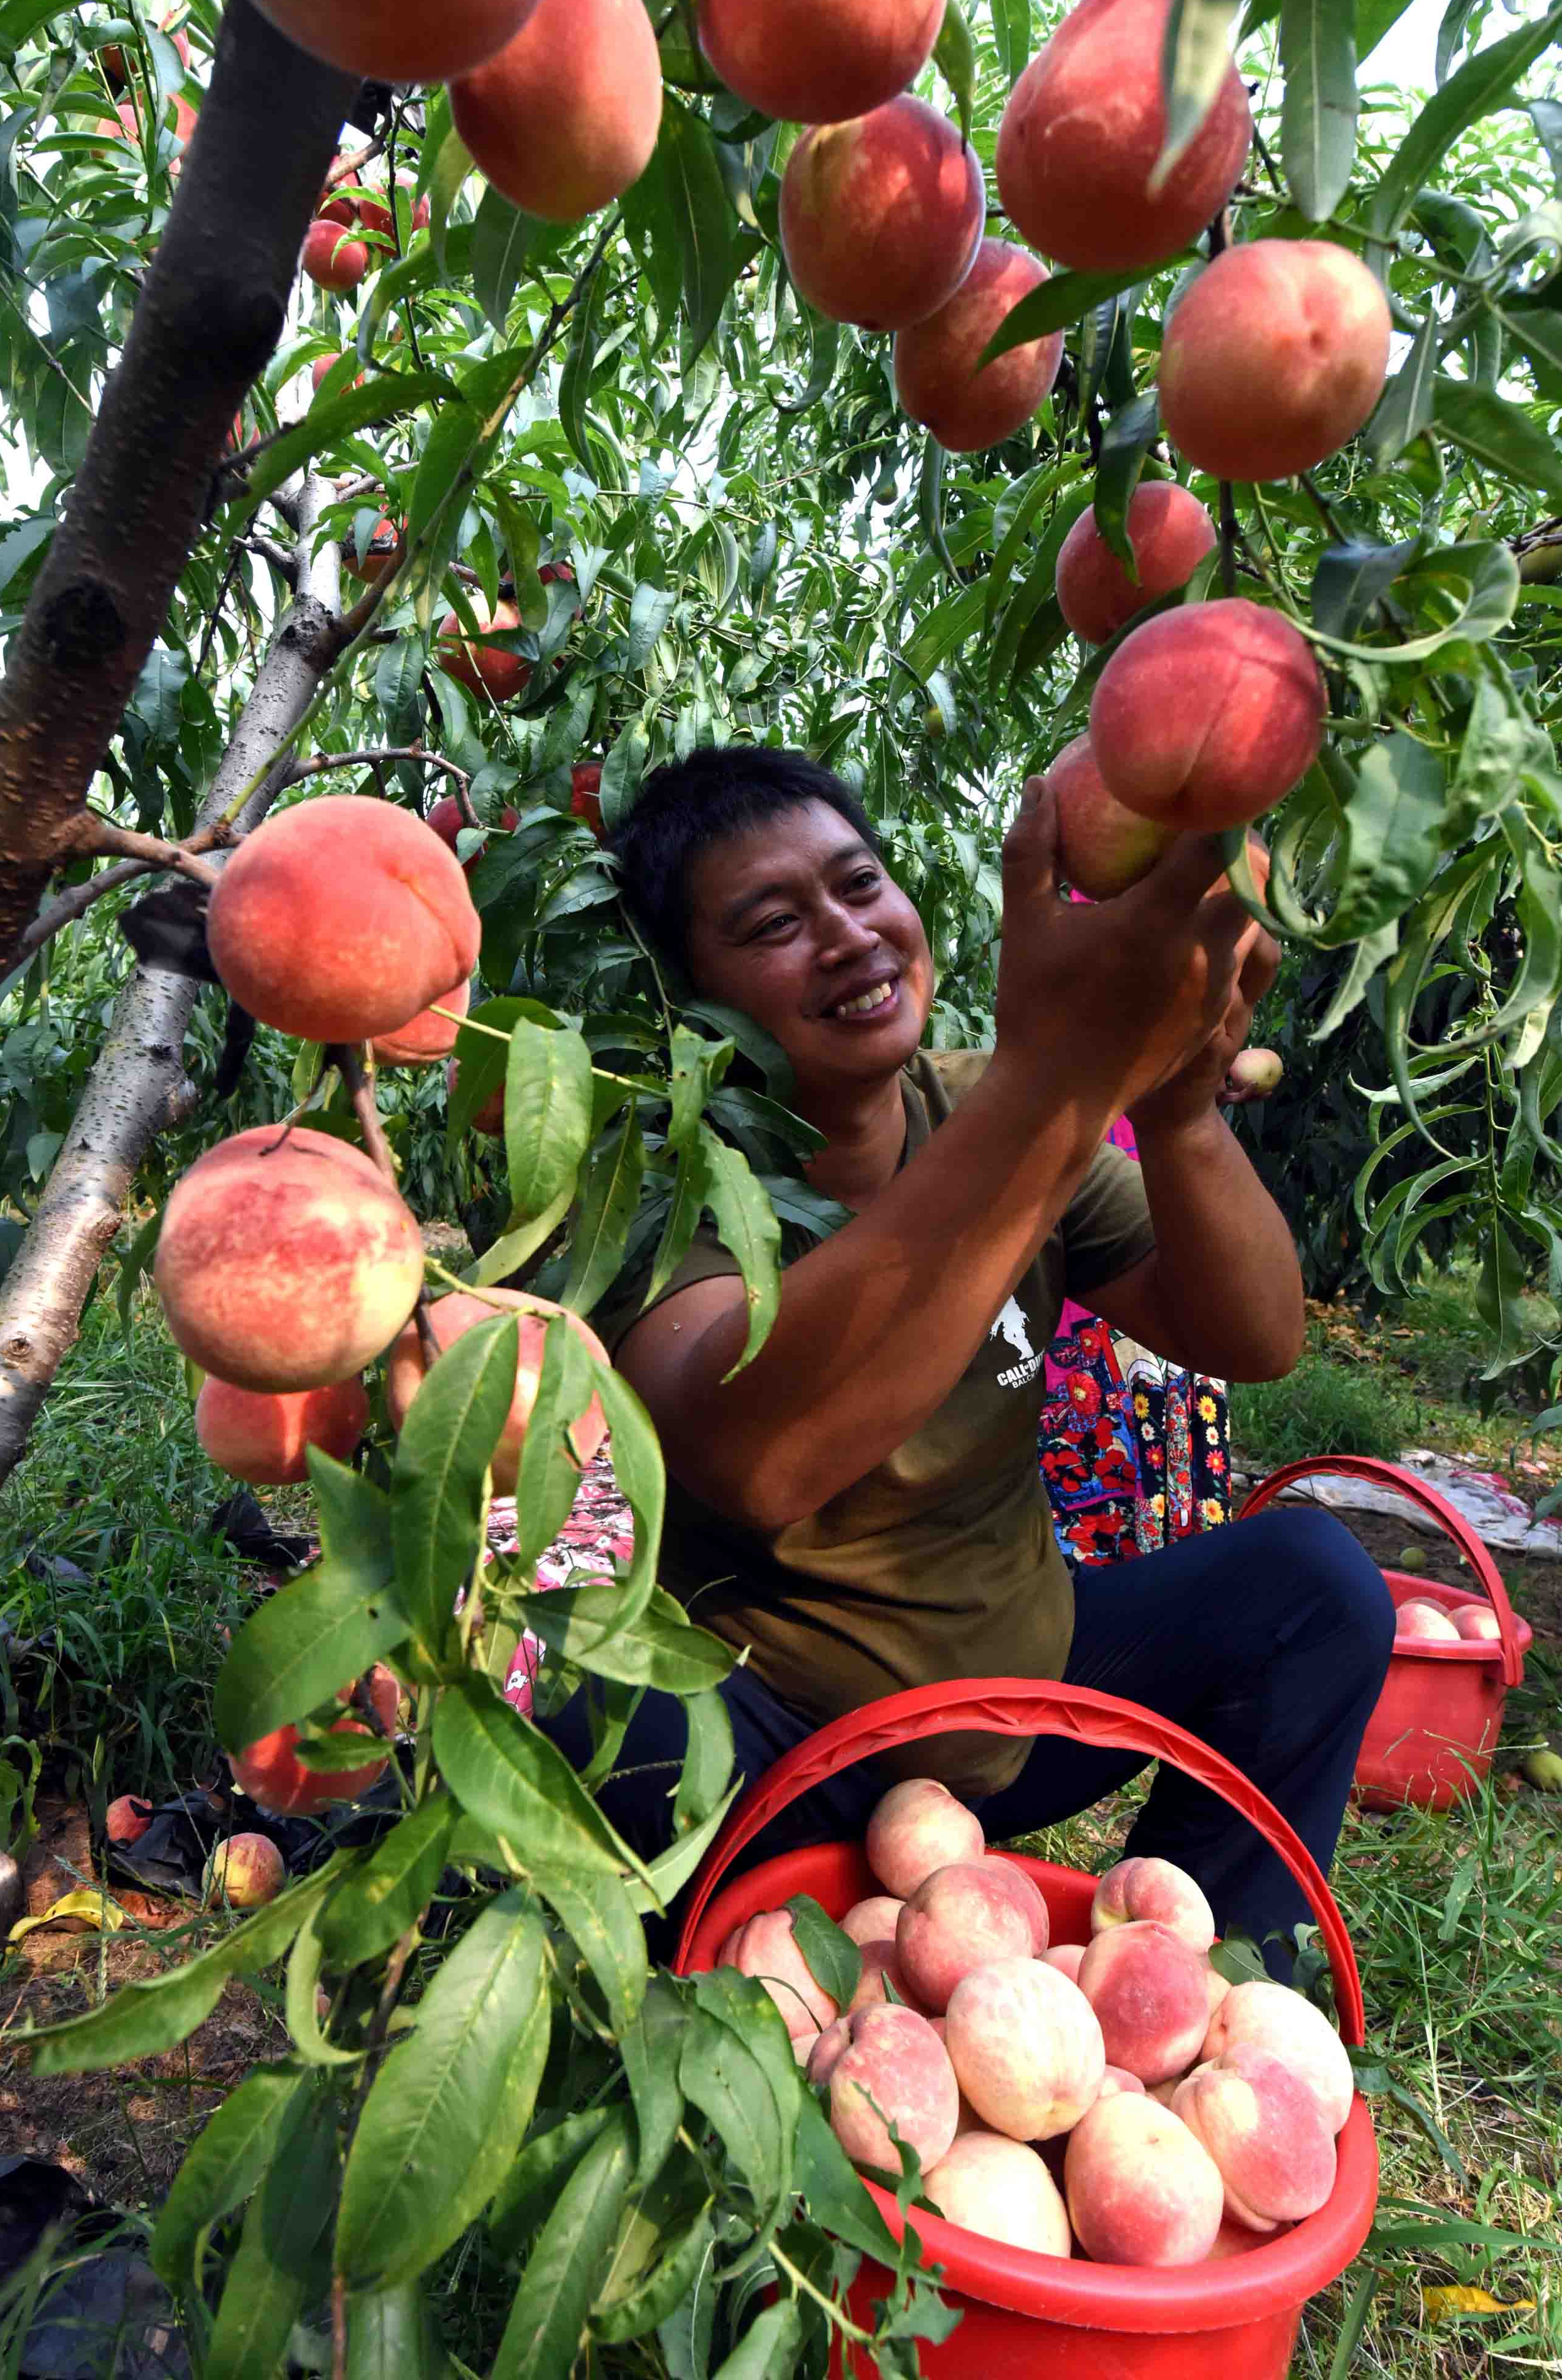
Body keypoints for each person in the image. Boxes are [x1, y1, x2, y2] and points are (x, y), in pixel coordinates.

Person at [548, 746, 1393, 1958]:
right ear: (692, 997)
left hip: (1025, 1709)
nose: (849, 937)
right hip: (782, 1753)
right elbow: (765, 1458)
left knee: (1313, 1585)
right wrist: (1063, 1071)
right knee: (566, 1682)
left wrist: (1174, 1106)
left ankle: (1203, 1992)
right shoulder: (658, 1186)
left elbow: (1252, 1335)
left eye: (859, 883)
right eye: (776, 923)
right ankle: (734, 1955)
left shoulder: (983, 1105)